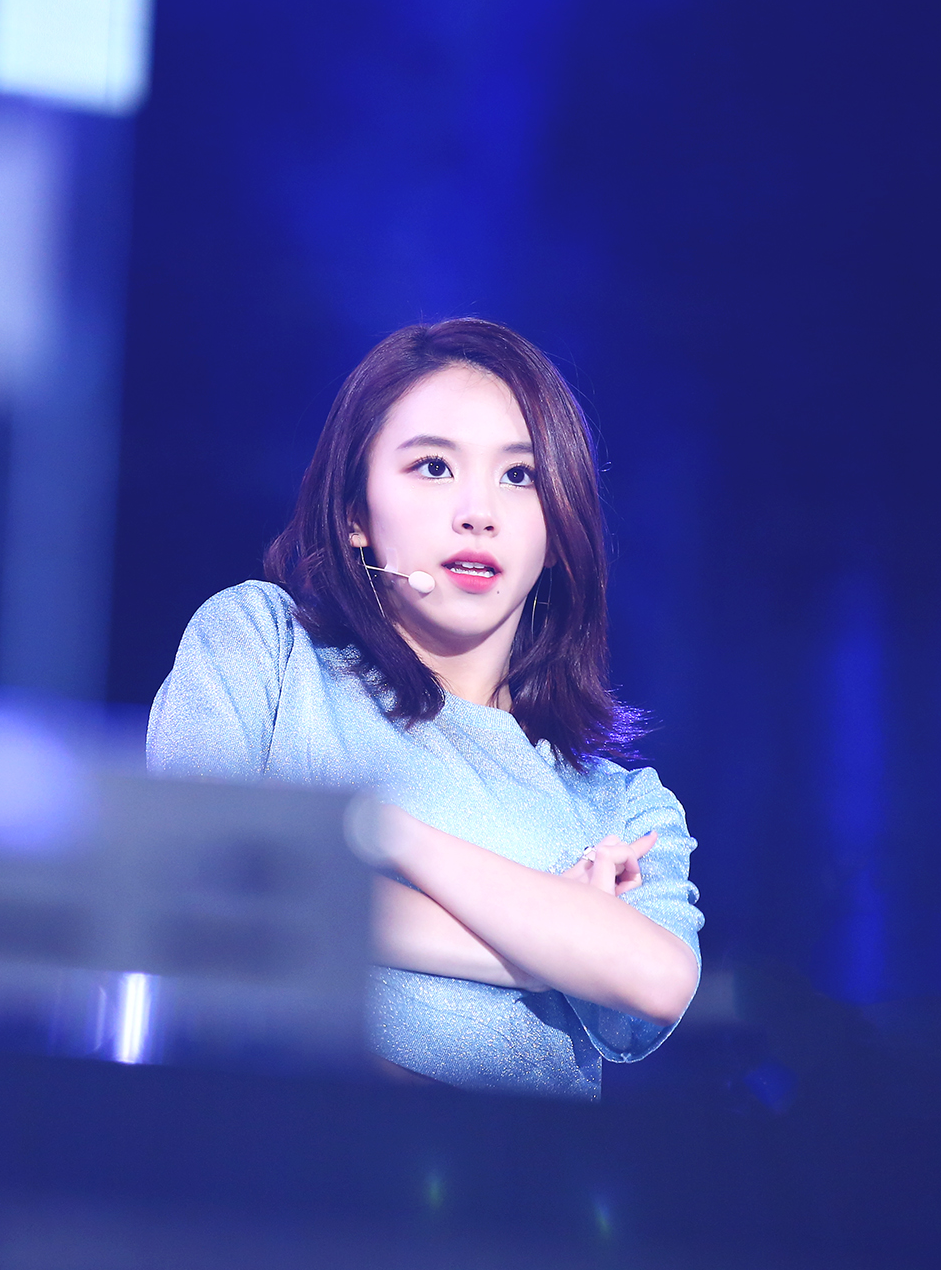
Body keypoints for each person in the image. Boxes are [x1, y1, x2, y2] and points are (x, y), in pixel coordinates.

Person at [147, 319, 702, 1097]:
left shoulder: (617, 801)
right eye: (434, 466)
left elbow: (655, 982)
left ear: (558, 528)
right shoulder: (265, 643)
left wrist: (378, 830)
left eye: (520, 475)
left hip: (511, 1175)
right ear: (355, 513)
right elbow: (183, 875)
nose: (479, 512)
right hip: (266, 1146)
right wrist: (550, 946)